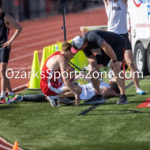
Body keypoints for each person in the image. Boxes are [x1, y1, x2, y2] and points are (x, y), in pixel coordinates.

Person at [71, 30, 128, 104]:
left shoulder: (92, 36)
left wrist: (114, 60)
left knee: (115, 66)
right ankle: (98, 95)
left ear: (84, 43)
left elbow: (106, 46)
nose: (80, 50)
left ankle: (123, 96)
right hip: (105, 49)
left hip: (117, 44)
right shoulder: (83, 46)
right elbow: (91, 58)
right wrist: (92, 66)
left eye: (80, 49)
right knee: (93, 71)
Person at [103, 0, 145, 95]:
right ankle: (115, 86)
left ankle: (138, 88)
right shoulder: (108, 2)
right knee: (115, 64)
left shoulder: (123, 2)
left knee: (130, 63)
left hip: (123, 36)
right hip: (111, 36)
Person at [40, 41, 81, 107]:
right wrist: (75, 94)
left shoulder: (58, 54)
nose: (73, 57)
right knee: (78, 90)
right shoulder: (62, 59)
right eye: (72, 55)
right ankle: (55, 97)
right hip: (49, 87)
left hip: (47, 84)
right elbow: (65, 80)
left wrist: (70, 70)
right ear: (68, 52)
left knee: (73, 84)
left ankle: (58, 97)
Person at [0, 0, 22, 104]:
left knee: (2, 72)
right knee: (3, 73)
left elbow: (19, 28)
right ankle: (12, 94)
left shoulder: (5, 17)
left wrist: (10, 41)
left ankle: (3, 97)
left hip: (4, 47)